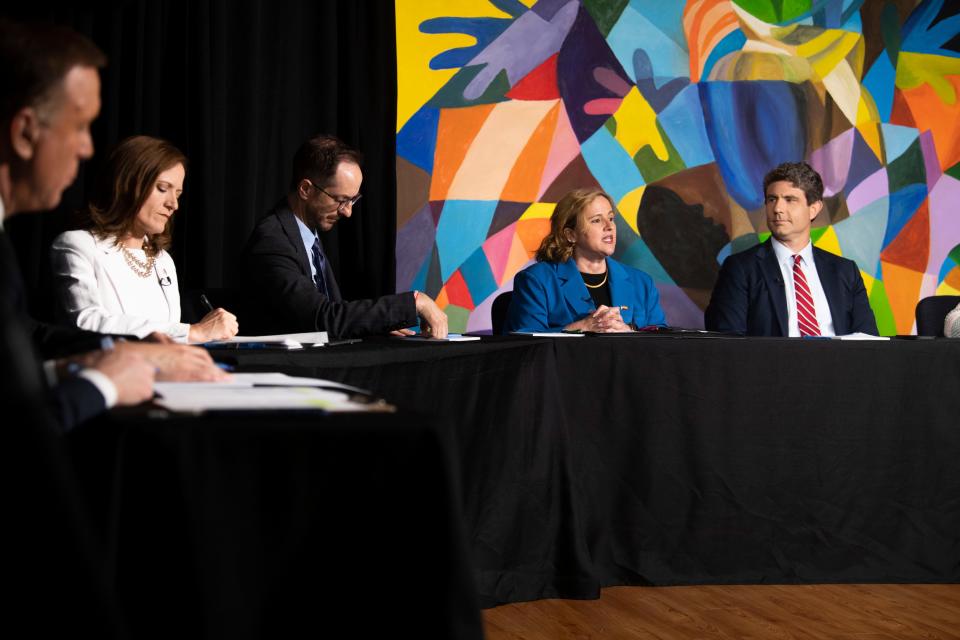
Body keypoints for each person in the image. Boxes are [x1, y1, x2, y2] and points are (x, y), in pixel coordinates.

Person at [241, 134, 448, 339]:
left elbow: (333, 313)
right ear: (305, 189)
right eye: (340, 200)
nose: (347, 212)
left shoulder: (308, 233)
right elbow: (322, 319)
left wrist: (378, 323)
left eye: (353, 200)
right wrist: (414, 302)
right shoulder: (272, 242)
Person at [50, 135, 238, 343]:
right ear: (128, 185)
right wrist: (192, 332)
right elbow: (87, 321)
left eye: (178, 193)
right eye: (163, 188)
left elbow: (169, 339)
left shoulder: (163, 260)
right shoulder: (77, 245)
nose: (173, 204)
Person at [705, 161, 878, 336]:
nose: (778, 209)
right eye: (772, 199)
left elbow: (868, 341)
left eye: (790, 200)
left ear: (814, 209)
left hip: (837, 362)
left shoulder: (845, 271)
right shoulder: (740, 268)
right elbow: (727, 342)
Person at [504, 187, 666, 333]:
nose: (609, 226)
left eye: (610, 218)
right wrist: (583, 327)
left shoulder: (642, 283)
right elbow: (526, 343)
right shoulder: (536, 280)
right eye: (596, 220)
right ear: (571, 235)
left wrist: (629, 332)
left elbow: (660, 338)